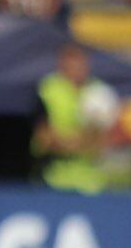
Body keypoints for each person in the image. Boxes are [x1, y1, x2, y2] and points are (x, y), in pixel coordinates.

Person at [34, 44, 118, 194]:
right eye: (71, 66)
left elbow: (104, 140)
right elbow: (44, 137)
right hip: (55, 178)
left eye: (80, 65)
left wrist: (71, 142)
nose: (77, 70)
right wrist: (82, 142)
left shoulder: (99, 92)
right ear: (61, 66)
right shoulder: (48, 90)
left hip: (91, 181)